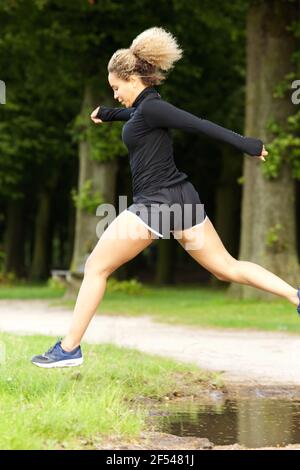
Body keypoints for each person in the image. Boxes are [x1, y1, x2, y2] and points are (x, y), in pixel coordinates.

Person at [31, 26, 300, 368]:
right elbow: (135, 115)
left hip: (158, 204)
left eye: (116, 88)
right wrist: (110, 113)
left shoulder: (154, 109)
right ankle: (296, 296)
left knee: (96, 267)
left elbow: (199, 124)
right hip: (182, 200)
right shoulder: (146, 109)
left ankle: (69, 349)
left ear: (131, 78)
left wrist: (248, 144)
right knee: (226, 267)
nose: (115, 95)